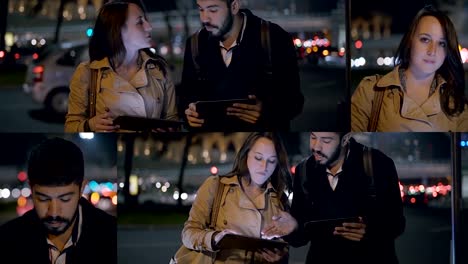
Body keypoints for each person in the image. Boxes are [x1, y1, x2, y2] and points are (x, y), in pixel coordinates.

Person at [262, 132, 405, 264]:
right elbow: (302, 236)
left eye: (326, 140)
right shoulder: (305, 170)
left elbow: (397, 223)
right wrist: (292, 227)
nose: (316, 147)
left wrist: (369, 231)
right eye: (313, 137)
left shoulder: (378, 163)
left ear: (345, 138)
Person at [180, 0, 304, 131]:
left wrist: (267, 111)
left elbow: (295, 101)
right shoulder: (195, 43)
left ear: (234, 7)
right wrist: (189, 115)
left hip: (259, 137)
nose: (204, 18)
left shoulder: (274, 37)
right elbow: (185, 98)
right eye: (201, 9)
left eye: (213, 10)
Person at [65, 1, 178, 132]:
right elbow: (71, 126)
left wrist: (168, 130)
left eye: (146, 20)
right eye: (140, 22)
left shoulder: (159, 70)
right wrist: (90, 125)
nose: (149, 26)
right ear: (118, 29)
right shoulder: (87, 73)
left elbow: (172, 119)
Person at [0, 137, 117, 264]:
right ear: (31, 189)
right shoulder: (7, 239)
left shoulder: (111, 236)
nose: (54, 212)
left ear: (81, 189)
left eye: (65, 199)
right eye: (43, 199)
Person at [352, 5, 468, 131]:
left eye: (441, 43)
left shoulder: (456, 106)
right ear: (410, 40)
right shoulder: (371, 91)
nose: (432, 51)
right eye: (425, 39)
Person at [180, 132, 292, 263]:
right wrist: (214, 238)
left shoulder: (279, 199)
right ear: (246, 156)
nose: (264, 166)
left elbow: (285, 247)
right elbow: (188, 233)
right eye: (258, 158)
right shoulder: (216, 186)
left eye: (271, 161)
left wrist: (279, 258)